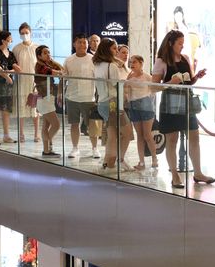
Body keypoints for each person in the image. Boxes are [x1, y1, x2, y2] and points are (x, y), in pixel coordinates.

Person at [152, 30, 215, 188]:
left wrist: (196, 77)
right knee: (172, 140)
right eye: (180, 43)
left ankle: (198, 172)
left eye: (183, 43)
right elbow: (153, 87)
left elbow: (188, 82)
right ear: (171, 43)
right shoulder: (161, 61)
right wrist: (171, 82)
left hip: (187, 104)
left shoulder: (186, 58)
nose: (182, 46)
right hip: (170, 105)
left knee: (194, 137)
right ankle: (174, 175)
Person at [93, 38, 134, 170]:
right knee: (127, 132)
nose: (116, 51)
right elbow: (117, 86)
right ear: (107, 49)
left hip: (103, 102)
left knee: (112, 134)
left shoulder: (98, 65)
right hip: (113, 102)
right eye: (114, 49)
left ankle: (108, 162)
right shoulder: (111, 66)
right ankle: (117, 160)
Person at [63, 34, 102, 159]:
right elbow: (63, 77)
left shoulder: (93, 59)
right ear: (74, 44)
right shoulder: (68, 60)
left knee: (92, 125)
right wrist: (60, 93)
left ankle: (95, 149)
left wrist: (99, 97)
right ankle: (75, 148)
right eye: (80, 42)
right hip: (72, 97)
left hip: (88, 98)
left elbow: (99, 79)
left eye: (84, 42)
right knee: (74, 124)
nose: (82, 45)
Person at [126, 55, 158, 170]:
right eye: (130, 62)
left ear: (141, 63)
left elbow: (154, 90)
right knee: (139, 135)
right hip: (133, 106)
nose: (132, 64)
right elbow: (125, 90)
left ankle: (154, 158)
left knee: (147, 135)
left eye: (134, 62)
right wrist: (126, 80)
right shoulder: (129, 77)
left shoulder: (147, 77)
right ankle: (141, 162)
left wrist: (151, 104)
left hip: (146, 105)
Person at [0, 31, 21, 145]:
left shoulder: (11, 54)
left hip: (8, 85)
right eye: (9, 39)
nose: (10, 41)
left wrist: (10, 72)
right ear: (3, 40)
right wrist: (6, 75)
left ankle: (6, 136)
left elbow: (16, 68)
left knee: (7, 110)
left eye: (11, 39)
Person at [13, 23, 40, 143]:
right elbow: (12, 64)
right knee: (21, 107)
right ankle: (21, 133)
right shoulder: (16, 48)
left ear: (31, 33)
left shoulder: (37, 48)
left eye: (26, 33)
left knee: (35, 108)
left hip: (34, 82)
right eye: (22, 33)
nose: (25, 35)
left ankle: (36, 133)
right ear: (19, 35)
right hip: (21, 81)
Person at [34, 45, 63, 158]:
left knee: (46, 125)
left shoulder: (45, 64)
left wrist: (52, 61)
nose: (48, 55)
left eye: (49, 52)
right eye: (45, 53)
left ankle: (46, 151)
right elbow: (59, 72)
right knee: (56, 124)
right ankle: (48, 143)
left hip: (47, 98)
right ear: (39, 56)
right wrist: (58, 70)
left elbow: (61, 69)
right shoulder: (41, 66)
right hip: (44, 99)